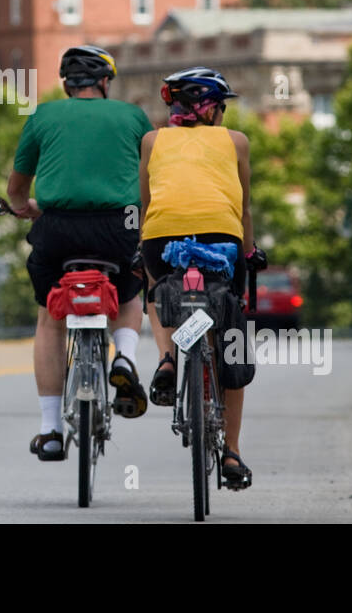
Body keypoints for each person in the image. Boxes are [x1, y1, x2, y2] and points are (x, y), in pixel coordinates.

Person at [6, 44, 155, 461]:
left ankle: (51, 428)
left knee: (51, 316)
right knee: (129, 293)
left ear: (65, 83)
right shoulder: (132, 116)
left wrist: (23, 206)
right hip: (120, 226)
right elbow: (150, 177)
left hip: (57, 229)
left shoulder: (44, 116)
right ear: (105, 82)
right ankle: (123, 358)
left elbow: (17, 186)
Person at [138, 66, 257, 489]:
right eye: (221, 108)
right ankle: (232, 453)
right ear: (209, 109)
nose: (223, 116)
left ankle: (168, 358)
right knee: (231, 331)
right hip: (221, 239)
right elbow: (242, 209)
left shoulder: (151, 141)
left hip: (162, 238)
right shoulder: (236, 142)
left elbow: (148, 201)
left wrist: (146, 246)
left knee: (152, 287)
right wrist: (250, 252)